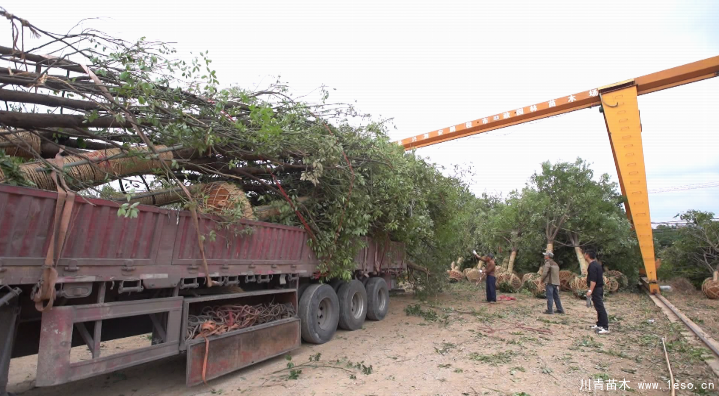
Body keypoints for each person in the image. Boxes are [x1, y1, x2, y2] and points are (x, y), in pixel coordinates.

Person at [584, 248, 609, 334]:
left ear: (587, 255)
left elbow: (593, 280)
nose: (584, 255)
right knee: (598, 307)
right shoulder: (597, 264)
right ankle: (599, 324)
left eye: (585, 254)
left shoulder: (592, 266)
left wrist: (590, 290)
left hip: (596, 289)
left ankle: (605, 327)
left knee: (600, 307)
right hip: (599, 288)